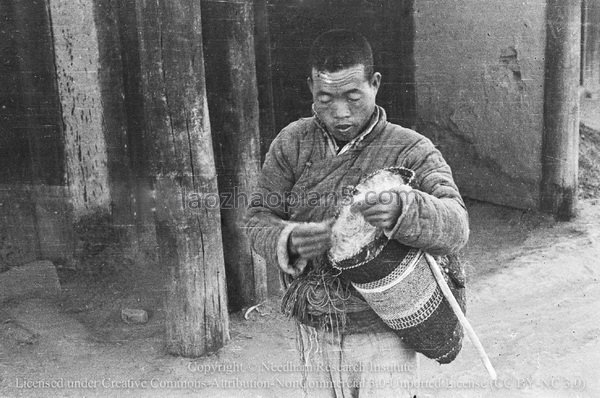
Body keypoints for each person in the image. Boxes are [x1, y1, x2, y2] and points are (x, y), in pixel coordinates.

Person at [245, 29, 469, 397]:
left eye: (353, 96)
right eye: (325, 99)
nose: (340, 113)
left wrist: (403, 209)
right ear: (310, 89)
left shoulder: (410, 148)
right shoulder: (292, 142)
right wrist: (289, 239)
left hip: (384, 330)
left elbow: (457, 225)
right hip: (316, 326)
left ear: (375, 84)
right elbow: (257, 218)